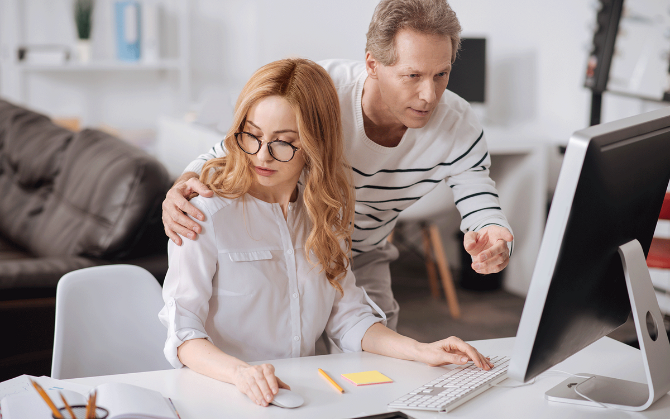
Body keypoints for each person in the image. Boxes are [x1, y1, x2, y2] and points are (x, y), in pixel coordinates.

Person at [158, 58, 493, 408]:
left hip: (300, 395)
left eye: (284, 142)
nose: (263, 156)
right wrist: (242, 374)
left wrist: (421, 350)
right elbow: (183, 334)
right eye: (252, 135)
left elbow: (347, 317)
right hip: (221, 394)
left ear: (315, 145)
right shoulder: (203, 213)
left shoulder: (325, 215)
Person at [161, 0, 514, 331]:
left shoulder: (458, 124)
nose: (429, 95)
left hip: (364, 251)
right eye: (412, 76)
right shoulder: (321, 91)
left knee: (376, 349)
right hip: (296, 243)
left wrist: (494, 233)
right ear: (373, 64)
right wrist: (185, 182)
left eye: (441, 75)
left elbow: (478, 191)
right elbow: (243, 143)